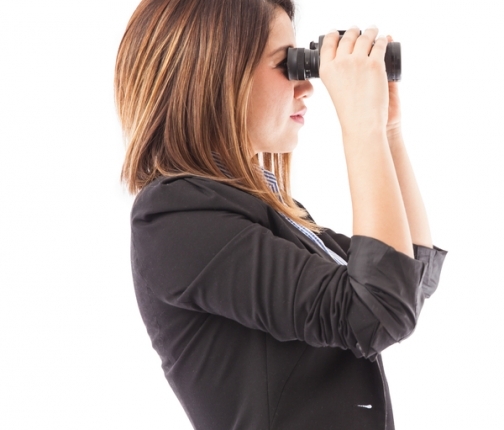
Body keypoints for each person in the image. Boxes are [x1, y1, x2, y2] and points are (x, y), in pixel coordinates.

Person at [114, 0, 447, 428]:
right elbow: (379, 311)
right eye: (285, 64)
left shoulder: (262, 208)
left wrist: (386, 131)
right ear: (215, 76)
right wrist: (360, 126)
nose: (306, 86)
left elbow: (407, 276)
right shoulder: (174, 219)